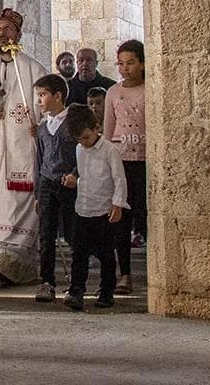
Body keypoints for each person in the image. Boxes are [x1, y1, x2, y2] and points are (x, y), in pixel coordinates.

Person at [0, 7, 46, 287]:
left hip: (22, 152)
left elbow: (44, 108)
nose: (2, 33)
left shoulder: (33, 70)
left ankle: (18, 259)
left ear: (18, 34)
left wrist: (38, 126)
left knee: (21, 204)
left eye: (8, 29)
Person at [62, 104, 127, 311]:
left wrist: (118, 203)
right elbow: (83, 174)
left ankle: (107, 291)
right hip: (84, 208)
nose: (84, 142)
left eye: (87, 137)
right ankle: (76, 290)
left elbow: (119, 179)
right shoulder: (79, 150)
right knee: (79, 254)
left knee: (106, 254)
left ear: (96, 128)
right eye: (79, 139)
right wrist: (74, 179)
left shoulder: (110, 150)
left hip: (104, 210)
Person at [106, 39, 147, 294]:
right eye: (121, 64)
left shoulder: (150, 89)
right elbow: (108, 131)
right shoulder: (113, 92)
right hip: (121, 163)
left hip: (146, 161)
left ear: (142, 64)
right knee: (121, 219)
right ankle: (125, 274)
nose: (125, 69)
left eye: (130, 63)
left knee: (146, 216)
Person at [32, 74, 76, 303]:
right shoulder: (42, 129)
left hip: (69, 185)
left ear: (57, 96)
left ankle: (76, 283)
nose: (39, 100)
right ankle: (47, 281)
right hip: (47, 184)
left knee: (73, 234)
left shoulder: (74, 123)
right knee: (46, 235)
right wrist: (38, 193)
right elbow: (39, 160)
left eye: (43, 95)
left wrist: (76, 174)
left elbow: (83, 153)